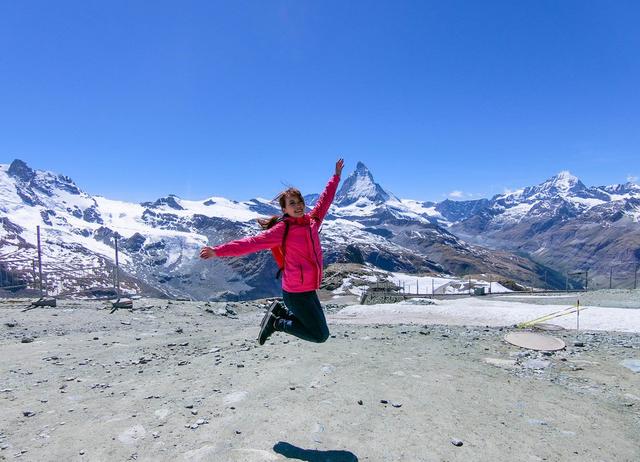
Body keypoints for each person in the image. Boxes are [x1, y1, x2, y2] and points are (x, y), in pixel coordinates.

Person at [200, 159, 344, 345]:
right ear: (284, 209)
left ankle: (280, 313)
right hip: (295, 292)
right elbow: (250, 243)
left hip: (308, 290)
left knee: (318, 330)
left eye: (300, 201)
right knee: (319, 335)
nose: (298, 205)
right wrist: (217, 251)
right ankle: (277, 322)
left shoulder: (312, 222)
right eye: (292, 203)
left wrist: (336, 177)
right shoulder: (282, 229)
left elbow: (325, 200)